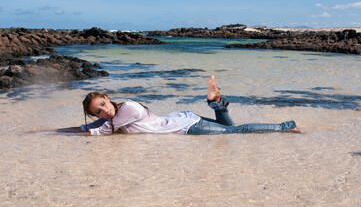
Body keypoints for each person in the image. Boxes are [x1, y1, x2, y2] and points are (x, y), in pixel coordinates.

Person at [81, 76, 300, 135]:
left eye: (102, 103)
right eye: (97, 111)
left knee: (236, 130)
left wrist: (56, 133)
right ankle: (217, 103)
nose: (103, 110)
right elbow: (92, 127)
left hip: (186, 126)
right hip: (184, 118)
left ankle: (284, 127)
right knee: (229, 129)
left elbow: (97, 132)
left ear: (108, 98)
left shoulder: (126, 109)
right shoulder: (115, 117)